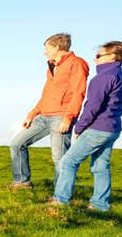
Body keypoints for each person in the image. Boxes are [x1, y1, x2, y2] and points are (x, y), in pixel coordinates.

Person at [51, 41, 122, 211]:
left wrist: (79, 128)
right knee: (100, 166)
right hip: (113, 128)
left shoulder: (103, 78)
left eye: (98, 55)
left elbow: (93, 106)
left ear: (113, 57)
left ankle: (60, 200)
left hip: (98, 127)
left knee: (68, 162)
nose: (95, 59)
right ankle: (100, 204)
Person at [10, 33, 89, 188]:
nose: (45, 52)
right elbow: (46, 95)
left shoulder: (77, 63)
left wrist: (68, 117)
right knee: (17, 144)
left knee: (59, 158)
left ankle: (60, 195)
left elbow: (79, 92)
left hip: (61, 116)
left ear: (57, 47)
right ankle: (21, 182)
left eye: (47, 48)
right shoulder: (52, 66)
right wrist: (32, 114)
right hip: (44, 116)